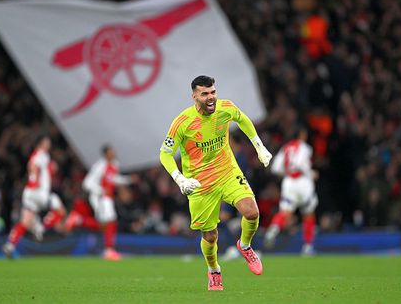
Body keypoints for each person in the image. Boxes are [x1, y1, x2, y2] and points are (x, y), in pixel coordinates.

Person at [159, 75, 272, 291]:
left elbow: (243, 119)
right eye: (205, 94)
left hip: (226, 172)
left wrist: (259, 147)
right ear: (194, 97)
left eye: (213, 92)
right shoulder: (182, 123)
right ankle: (214, 270)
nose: (211, 98)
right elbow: (164, 154)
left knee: (252, 212)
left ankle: (245, 245)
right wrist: (179, 178)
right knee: (210, 236)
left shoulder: (225, 108)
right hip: (200, 183)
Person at [2, 135, 66, 258]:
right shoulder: (41, 155)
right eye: (46, 142)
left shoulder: (38, 155)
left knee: (25, 222)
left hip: (29, 193)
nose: (49, 144)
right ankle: (41, 227)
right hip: (39, 192)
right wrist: (35, 180)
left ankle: (9, 245)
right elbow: (33, 166)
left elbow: (35, 166)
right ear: (40, 144)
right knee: (61, 210)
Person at [69, 144, 131, 261]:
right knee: (110, 221)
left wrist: (128, 180)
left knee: (105, 225)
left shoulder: (114, 165)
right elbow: (87, 183)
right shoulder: (99, 166)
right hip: (100, 198)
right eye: (111, 151)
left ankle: (79, 220)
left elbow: (113, 179)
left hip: (107, 197)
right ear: (106, 153)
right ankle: (109, 251)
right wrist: (100, 190)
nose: (114, 153)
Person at [263, 126, 318, 255]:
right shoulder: (304, 147)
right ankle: (308, 247)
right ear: (302, 134)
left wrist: (287, 172)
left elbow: (275, 168)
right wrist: (311, 174)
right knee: (308, 213)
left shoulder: (286, 147)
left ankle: (273, 230)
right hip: (303, 182)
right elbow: (300, 164)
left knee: (285, 212)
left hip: (288, 183)